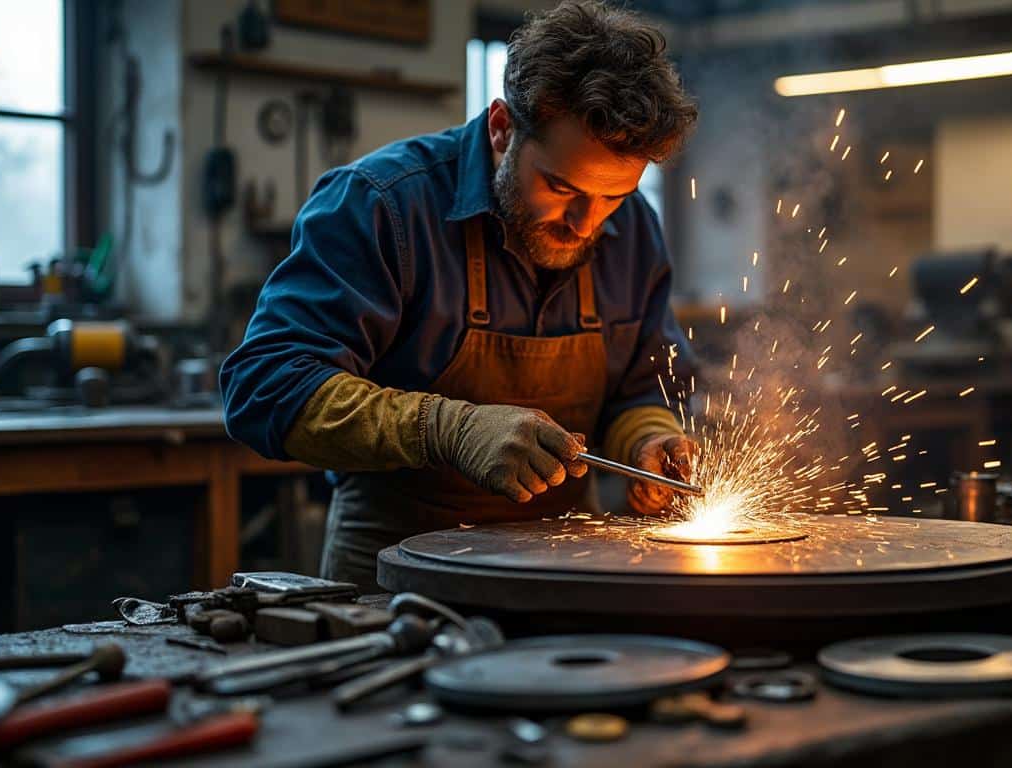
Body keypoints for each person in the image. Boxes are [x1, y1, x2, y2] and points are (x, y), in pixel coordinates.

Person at [220, 0, 699, 589]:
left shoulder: (635, 230)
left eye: (612, 198)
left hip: (568, 569)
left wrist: (646, 441)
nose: (585, 223)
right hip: (397, 573)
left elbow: (640, 386)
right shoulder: (383, 204)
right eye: (560, 186)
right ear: (502, 127)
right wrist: (445, 428)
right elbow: (265, 387)